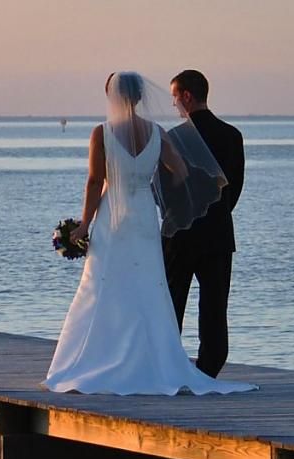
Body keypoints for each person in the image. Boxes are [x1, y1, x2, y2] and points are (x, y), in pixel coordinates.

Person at [42, 72, 256, 396]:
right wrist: (154, 193)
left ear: (112, 96)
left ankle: (100, 359)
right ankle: (160, 362)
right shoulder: (157, 133)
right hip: (144, 217)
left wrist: (85, 224)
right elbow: (181, 172)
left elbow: (93, 180)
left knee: (103, 287)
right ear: (141, 97)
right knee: (150, 289)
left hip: (113, 217)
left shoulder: (102, 133)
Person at [159, 70, 245, 378]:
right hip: (219, 233)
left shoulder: (174, 137)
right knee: (214, 305)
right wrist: (218, 213)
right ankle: (209, 367)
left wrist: (177, 213)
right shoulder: (232, 135)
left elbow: (164, 189)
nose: (173, 105)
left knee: (171, 302)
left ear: (186, 96)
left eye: (174, 97)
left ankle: (168, 362)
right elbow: (235, 186)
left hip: (180, 234)